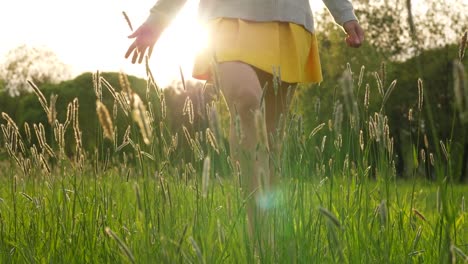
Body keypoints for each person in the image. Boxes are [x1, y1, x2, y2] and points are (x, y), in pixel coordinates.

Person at [125, 0, 364, 247]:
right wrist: (158, 19)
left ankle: (268, 240)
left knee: (271, 142)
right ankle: (257, 234)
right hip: (225, 17)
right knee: (246, 101)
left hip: (287, 19)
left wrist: (345, 14)